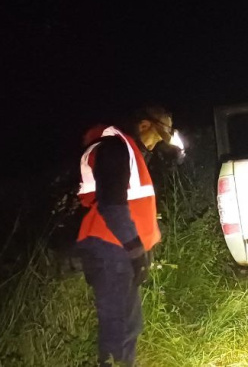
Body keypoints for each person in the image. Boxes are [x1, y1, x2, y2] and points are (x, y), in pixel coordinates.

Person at [76, 106, 174, 366]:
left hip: (118, 251)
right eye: (156, 136)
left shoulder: (128, 151)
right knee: (120, 328)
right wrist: (135, 251)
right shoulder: (115, 149)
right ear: (143, 125)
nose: (155, 145)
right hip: (111, 251)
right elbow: (112, 205)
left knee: (126, 325)